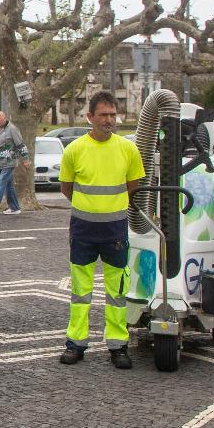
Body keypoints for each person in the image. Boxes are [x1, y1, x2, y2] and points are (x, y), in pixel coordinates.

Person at [58, 91, 145, 369]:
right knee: (80, 291)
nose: (109, 120)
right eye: (103, 115)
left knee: (117, 292)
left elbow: (135, 187)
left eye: (112, 115)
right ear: (90, 117)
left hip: (115, 230)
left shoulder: (128, 149)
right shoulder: (74, 150)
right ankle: (76, 343)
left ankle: (118, 345)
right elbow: (66, 188)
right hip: (83, 230)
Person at [0, 110, 30, 215]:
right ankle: (15, 208)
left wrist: (26, 159)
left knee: (0, 184)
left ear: (4, 118)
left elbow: (20, 144)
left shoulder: (12, 129)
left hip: (9, 162)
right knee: (9, 186)